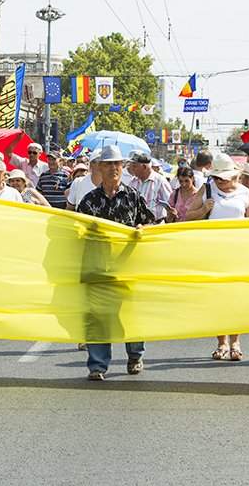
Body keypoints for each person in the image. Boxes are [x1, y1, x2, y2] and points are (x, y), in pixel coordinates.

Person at [76, 145, 156, 380]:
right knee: (98, 316)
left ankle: (135, 356)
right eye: (108, 164)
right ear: (99, 167)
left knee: (130, 313)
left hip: (127, 266)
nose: (113, 168)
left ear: (123, 168)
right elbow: (78, 232)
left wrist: (143, 228)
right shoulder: (89, 201)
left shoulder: (132, 196)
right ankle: (98, 366)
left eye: (117, 164)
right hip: (98, 266)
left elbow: (150, 222)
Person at [185, 153, 249, 361]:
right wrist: (203, 210)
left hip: (238, 253)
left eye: (222, 178)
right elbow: (187, 216)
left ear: (234, 176)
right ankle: (221, 342)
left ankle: (236, 341)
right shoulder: (206, 190)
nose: (219, 182)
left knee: (236, 298)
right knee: (217, 298)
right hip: (213, 252)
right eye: (216, 178)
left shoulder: (245, 193)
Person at [124, 150, 172, 222]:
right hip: (137, 226)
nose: (132, 169)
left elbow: (171, 205)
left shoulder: (160, 182)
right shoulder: (132, 182)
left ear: (144, 167)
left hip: (155, 227)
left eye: (134, 166)